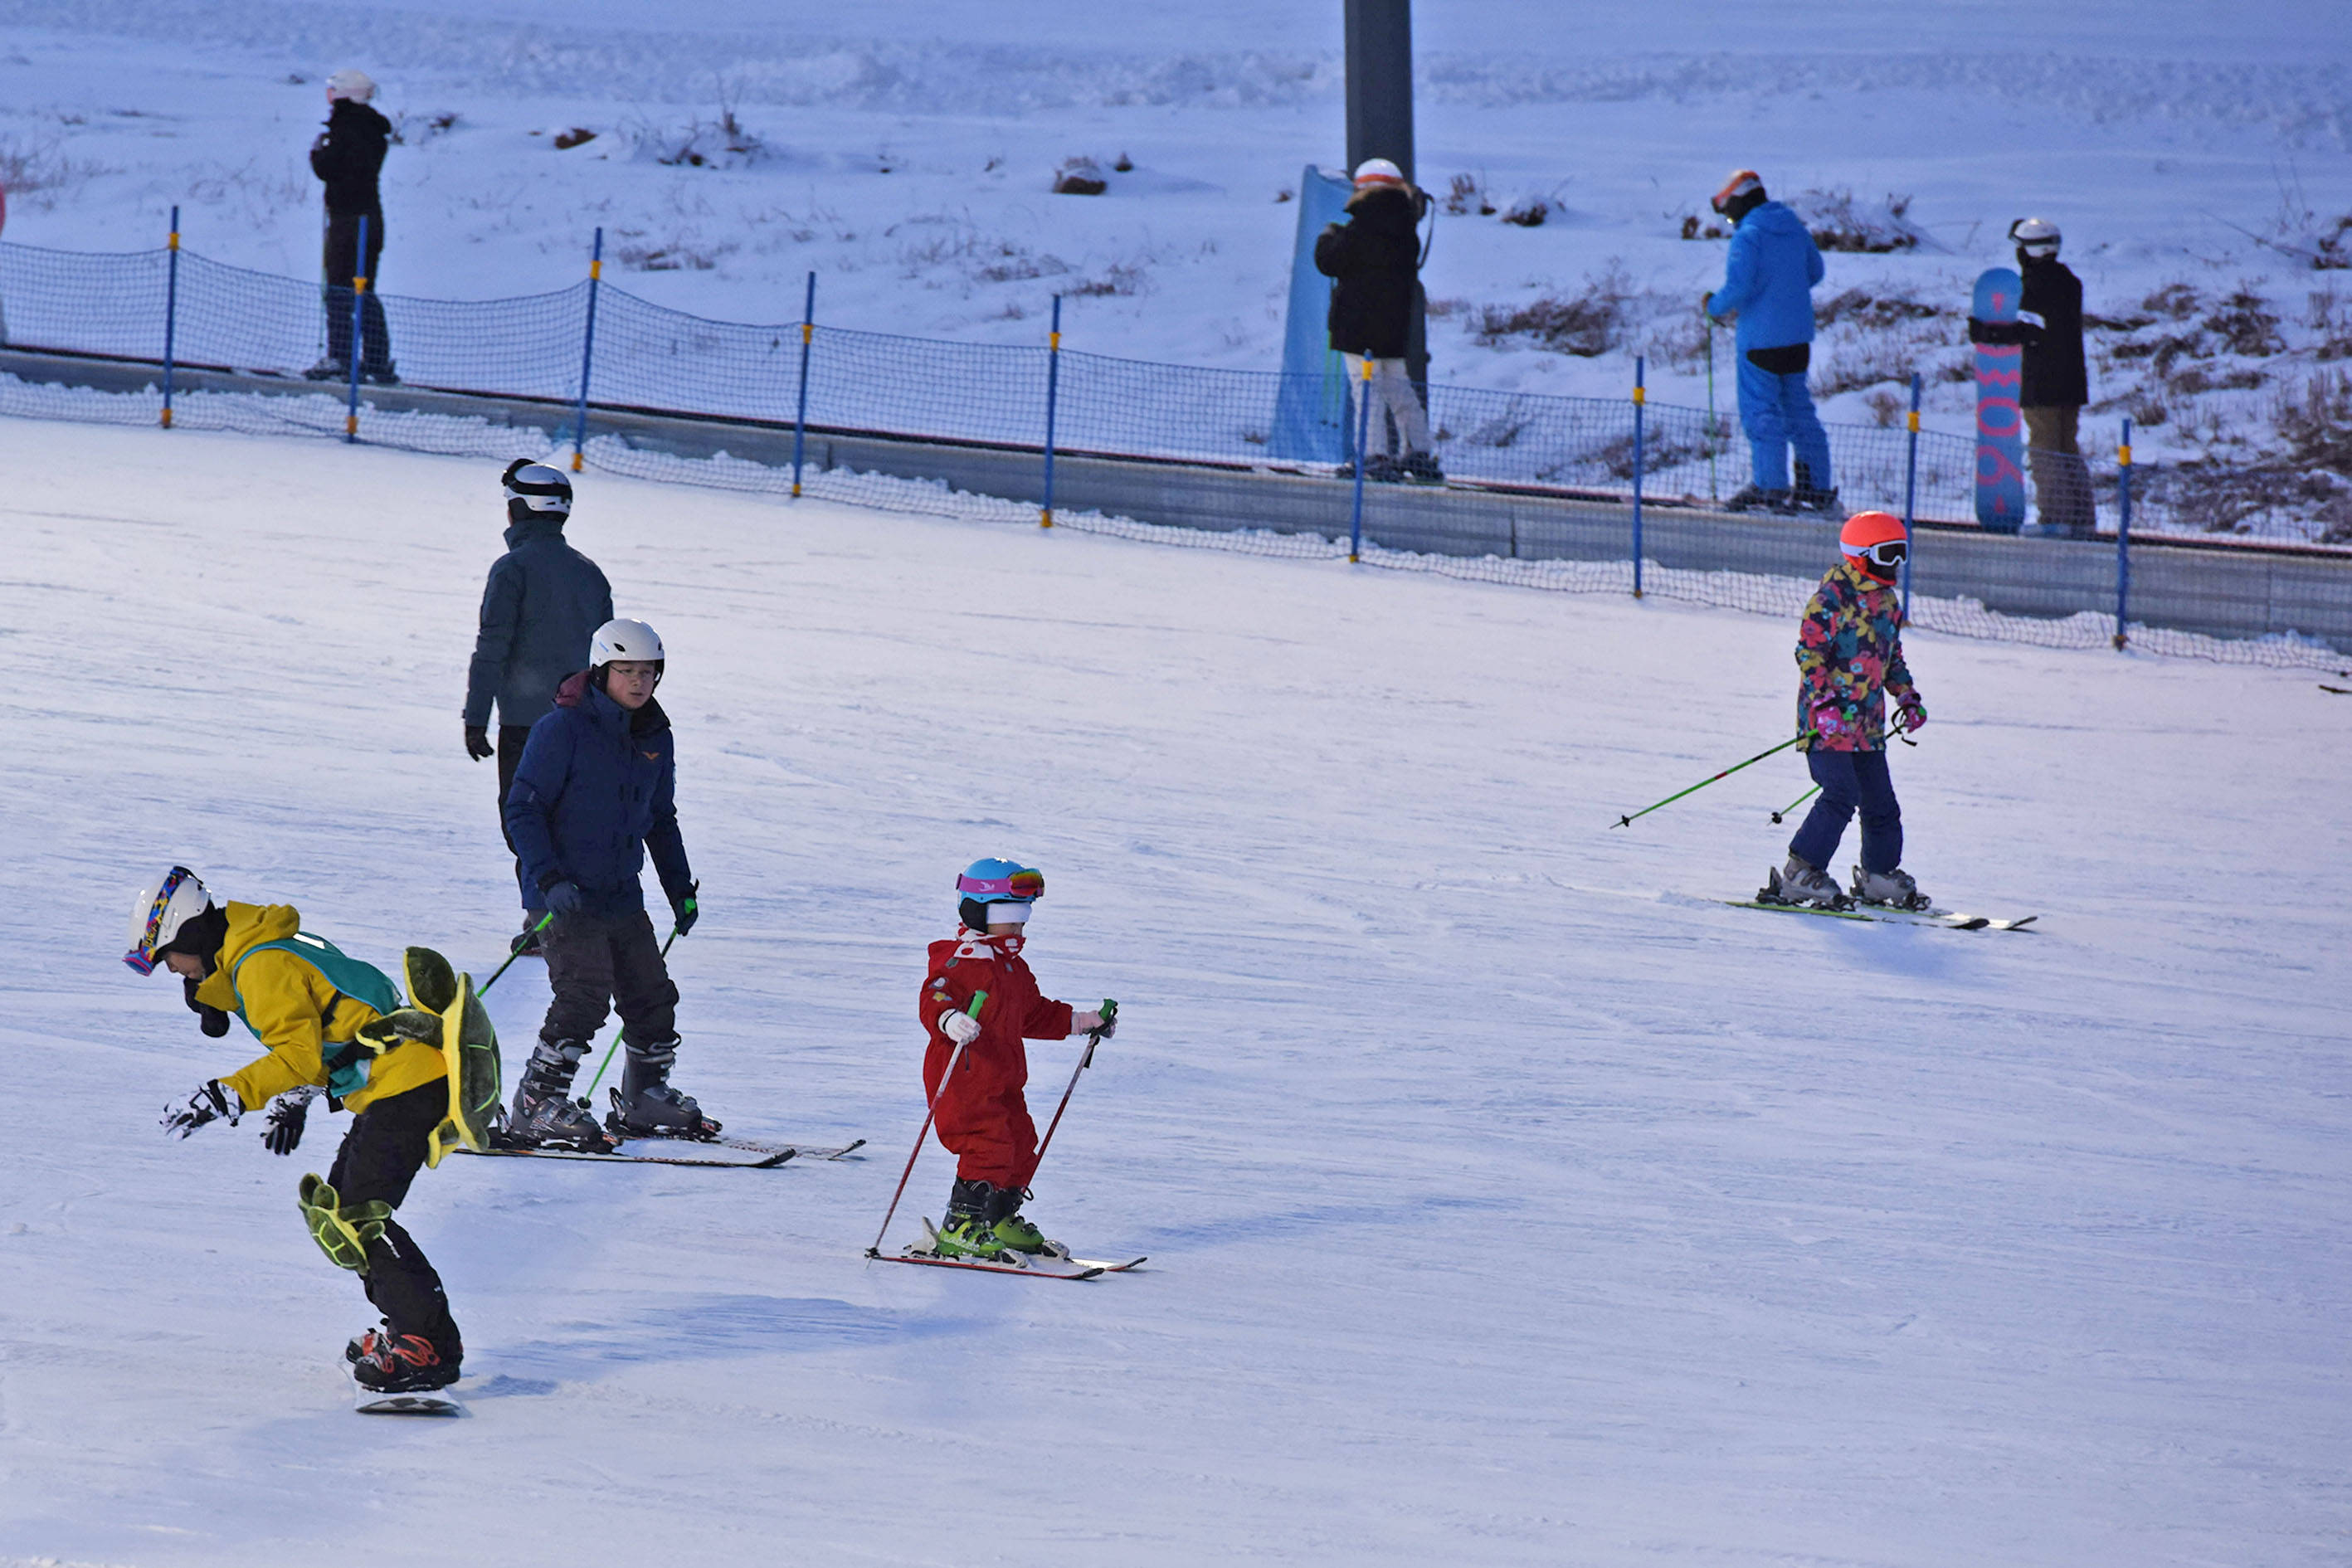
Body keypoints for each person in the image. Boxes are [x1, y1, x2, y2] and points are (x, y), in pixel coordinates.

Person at [124, 866, 465, 1396]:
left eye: (166, 955)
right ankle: (414, 1332)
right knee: (335, 1211)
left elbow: (300, 1055)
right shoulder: (261, 948)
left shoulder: (258, 967)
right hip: (396, 1082)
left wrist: (225, 1095)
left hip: (408, 1083)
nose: (170, 970)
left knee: (357, 1216)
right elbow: (337, 1022)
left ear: (191, 935)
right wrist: (296, 1098)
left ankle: (424, 1346)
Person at [502, 617, 707, 1148]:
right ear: (602, 669)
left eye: (648, 672)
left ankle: (645, 1097)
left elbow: (661, 818)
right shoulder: (562, 729)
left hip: (620, 891)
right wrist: (548, 878)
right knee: (584, 996)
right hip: (564, 892)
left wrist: (679, 889)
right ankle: (536, 1102)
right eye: (627, 671)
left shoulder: (654, 736)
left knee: (652, 995)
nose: (639, 682)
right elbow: (522, 809)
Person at [919, 859, 1118, 1259]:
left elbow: (1034, 1014)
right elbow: (932, 996)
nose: (1018, 927)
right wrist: (949, 1018)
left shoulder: (1012, 969)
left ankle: (998, 1218)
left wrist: (1082, 1022)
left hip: (1004, 1078)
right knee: (987, 1145)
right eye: (1009, 916)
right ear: (977, 911)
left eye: (1023, 917)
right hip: (964, 1080)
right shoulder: (960, 959)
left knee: (1021, 1141)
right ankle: (959, 1226)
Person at [464, 460, 615, 954]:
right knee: (569, 820)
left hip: (527, 723)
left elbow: (492, 649)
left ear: (516, 511)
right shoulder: (591, 574)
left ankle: (543, 921)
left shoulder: (511, 570)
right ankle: (568, 915)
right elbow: (606, 658)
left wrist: (475, 717)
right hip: (585, 720)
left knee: (525, 819)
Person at [1766, 511, 1929, 910]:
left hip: (1868, 726)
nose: (1894, 565)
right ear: (1861, 554)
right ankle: (1799, 873)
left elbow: (1892, 658)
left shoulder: (1888, 602)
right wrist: (1823, 706)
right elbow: (1809, 653)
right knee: (1840, 793)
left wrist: (1906, 695)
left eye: (1900, 555)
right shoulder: (1832, 598)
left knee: (1881, 802)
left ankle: (1878, 875)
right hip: (1828, 723)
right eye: (1887, 554)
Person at [1704, 169, 1836, 515]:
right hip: (1797, 340)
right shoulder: (1793, 227)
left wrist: (1712, 306)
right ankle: (1817, 488)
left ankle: (1770, 487)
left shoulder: (1749, 235)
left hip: (1759, 342)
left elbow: (1739, 287)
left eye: (1730, 212)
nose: (1730, 221)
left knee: (1761, 414)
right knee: (1799, 412)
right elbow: (1816, 272)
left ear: (1739, 201)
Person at [1314, 158, 1441, 484]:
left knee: (1365, 390)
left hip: (1359, 332)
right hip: (1392, 330)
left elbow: (1329, 262)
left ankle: (1374, 456)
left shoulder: (1363, 226)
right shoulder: (1406, 227)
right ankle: (1419, 451)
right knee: (1399, 390)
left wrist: (1328, 236)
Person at [1998, 217, 2095, 538]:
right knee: (2067, 448)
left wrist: (1986, 331)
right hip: (2071, 381)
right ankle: (2081, 519)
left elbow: (2029, 331)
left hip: (2043, 384)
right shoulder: (2069, 281)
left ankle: (2054, 519)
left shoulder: (2035, 286)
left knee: (2045, 450)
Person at [305, 69, 396, 385]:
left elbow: (331, 168)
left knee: (341, 291)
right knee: (364, 290)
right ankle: (377, 359)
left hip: (348, 219)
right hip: (370, 217)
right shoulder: (372, 127)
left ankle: (340, 357)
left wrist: (318, 153)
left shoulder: (346, 127)